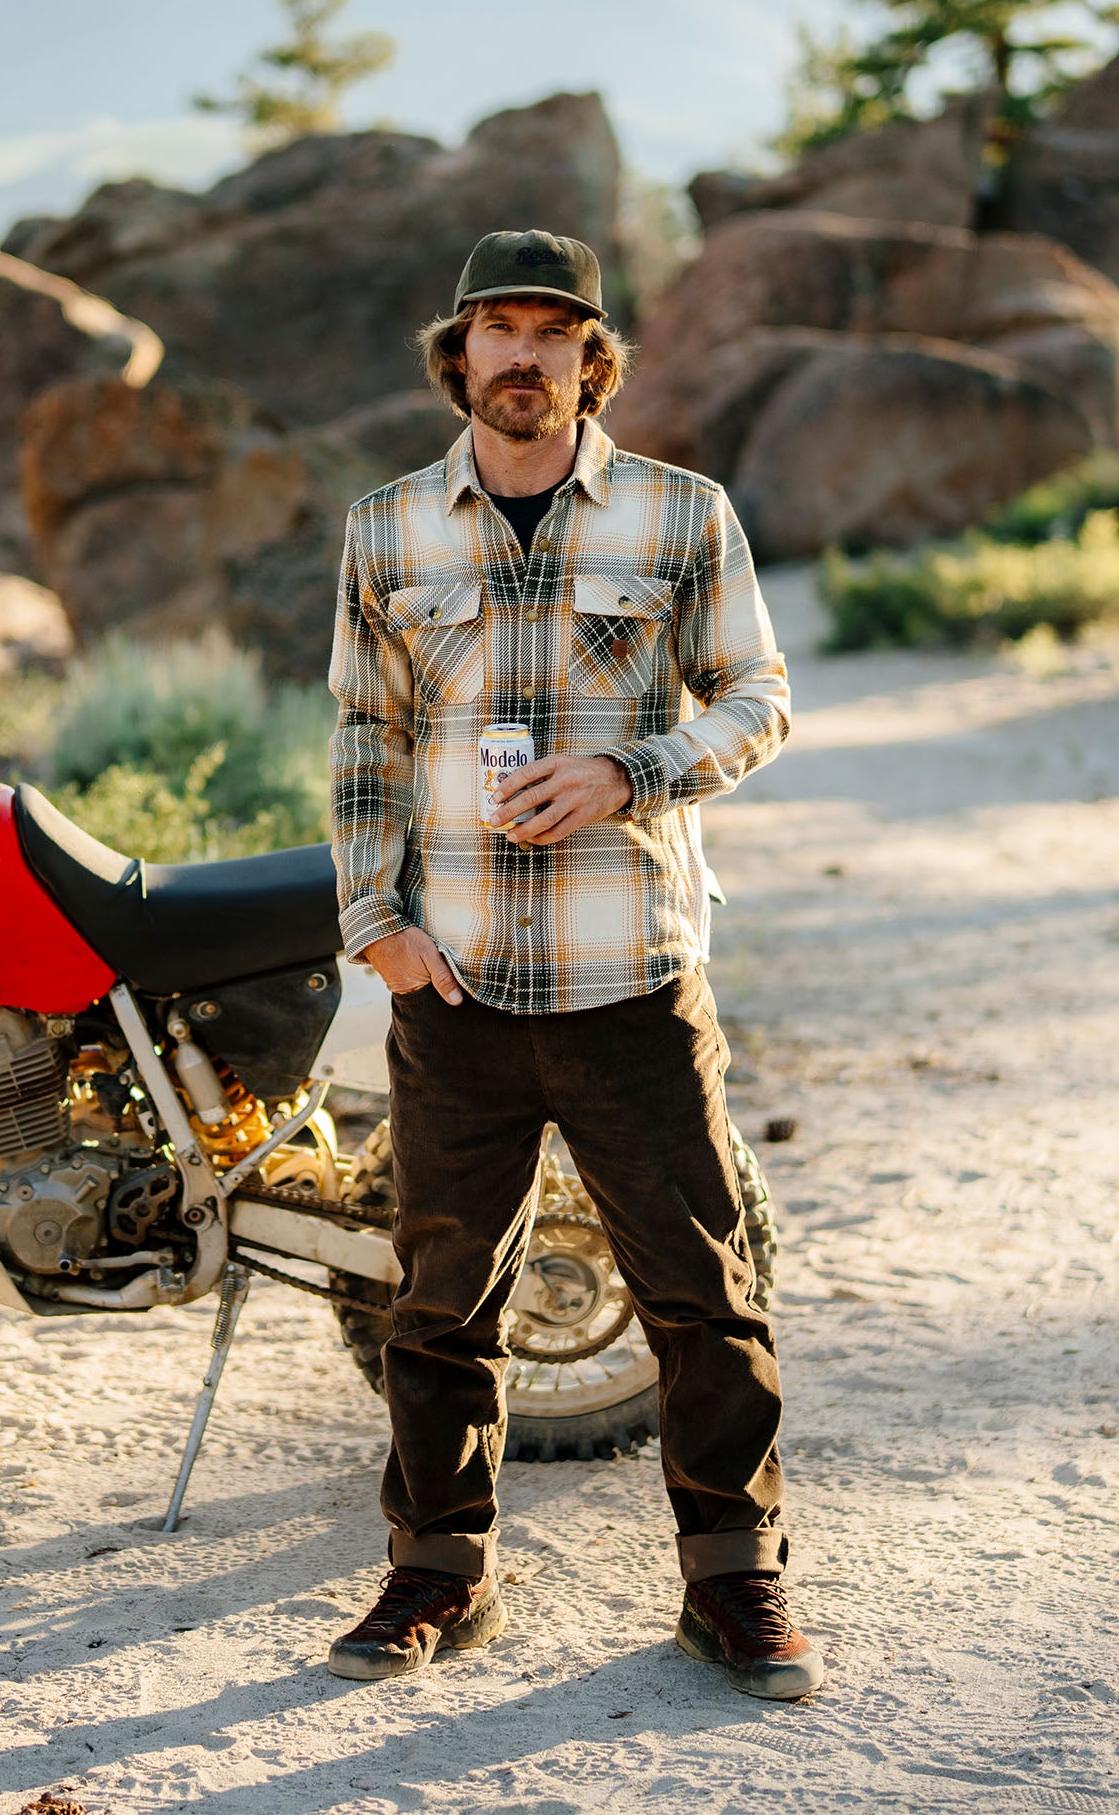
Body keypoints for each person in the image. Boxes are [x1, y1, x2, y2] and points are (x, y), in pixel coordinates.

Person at [324, 228, 818, 1701]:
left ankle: (736, 1584)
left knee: (703, 1297)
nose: (526, 355)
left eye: (556, 331)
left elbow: (760, 698)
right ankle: (437, 1573)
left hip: (633, 982)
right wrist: (378, 925)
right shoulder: (389, 527)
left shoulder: (681, 516)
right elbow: (366, 737)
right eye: (500, 329)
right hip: (455, 983)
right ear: (458, 352)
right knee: (437, 1306)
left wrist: (635, 772)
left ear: (592, 358)